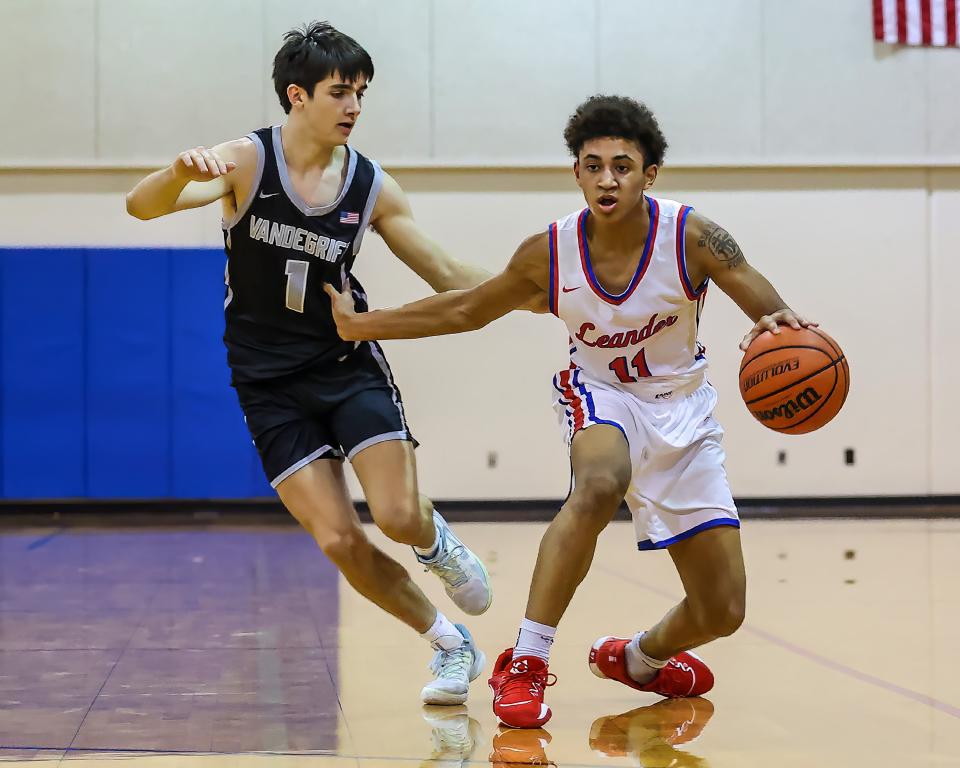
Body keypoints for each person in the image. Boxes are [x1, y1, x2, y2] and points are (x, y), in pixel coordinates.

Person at [325, 95, 815, 727]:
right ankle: (525, 661)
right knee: (599, 484)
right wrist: (362, 325)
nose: (607, 179)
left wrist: (777, 322)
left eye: (622, 165)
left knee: (722, 610)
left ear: (650, 174)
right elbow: (465, 309)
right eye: (593, 165)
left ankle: (638, 659)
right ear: (576, 172)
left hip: (685, 412)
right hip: (600, 394)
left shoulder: (692, 236)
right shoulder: (549, 250)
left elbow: (761, 296)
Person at [125, 21, 502, 705]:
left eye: (361, 92)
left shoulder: (370, 187)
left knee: (395, 516)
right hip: (266, 380)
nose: (354, 105)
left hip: (343, 362)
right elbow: (141, 206)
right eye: (340, 91)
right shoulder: (245, 161)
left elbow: (446, 271)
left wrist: (541, 290)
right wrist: (178, 170)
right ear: (296, 95)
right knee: (338, 540)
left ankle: (435, 542)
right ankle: (450, 644)